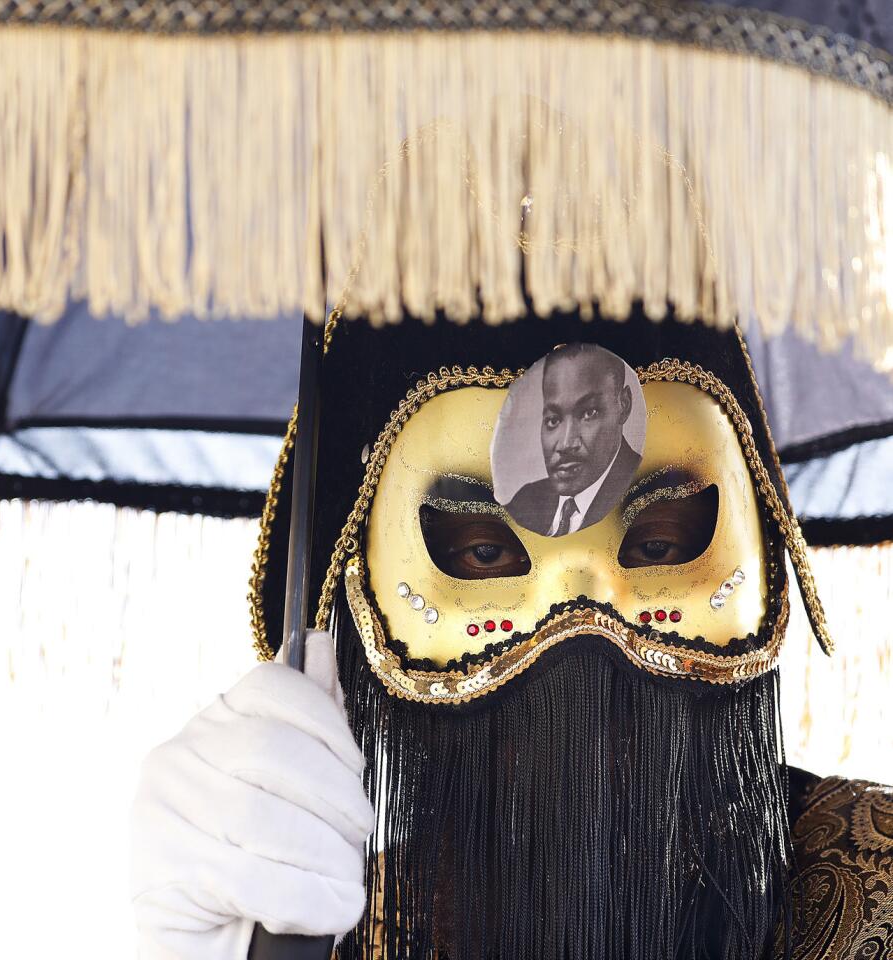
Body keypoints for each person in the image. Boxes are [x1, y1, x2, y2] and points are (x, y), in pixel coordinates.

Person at [129, 311, 892, 960]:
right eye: (486, 553)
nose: (580, 622)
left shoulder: (871, 886)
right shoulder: (323, 921)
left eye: (657, 546)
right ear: (356, 605)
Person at [503, 343, 640, 536]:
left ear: (623, 405)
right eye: (553, 420)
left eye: (588, 413)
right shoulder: (525, 503)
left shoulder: (645, 493)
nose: (566, 444)